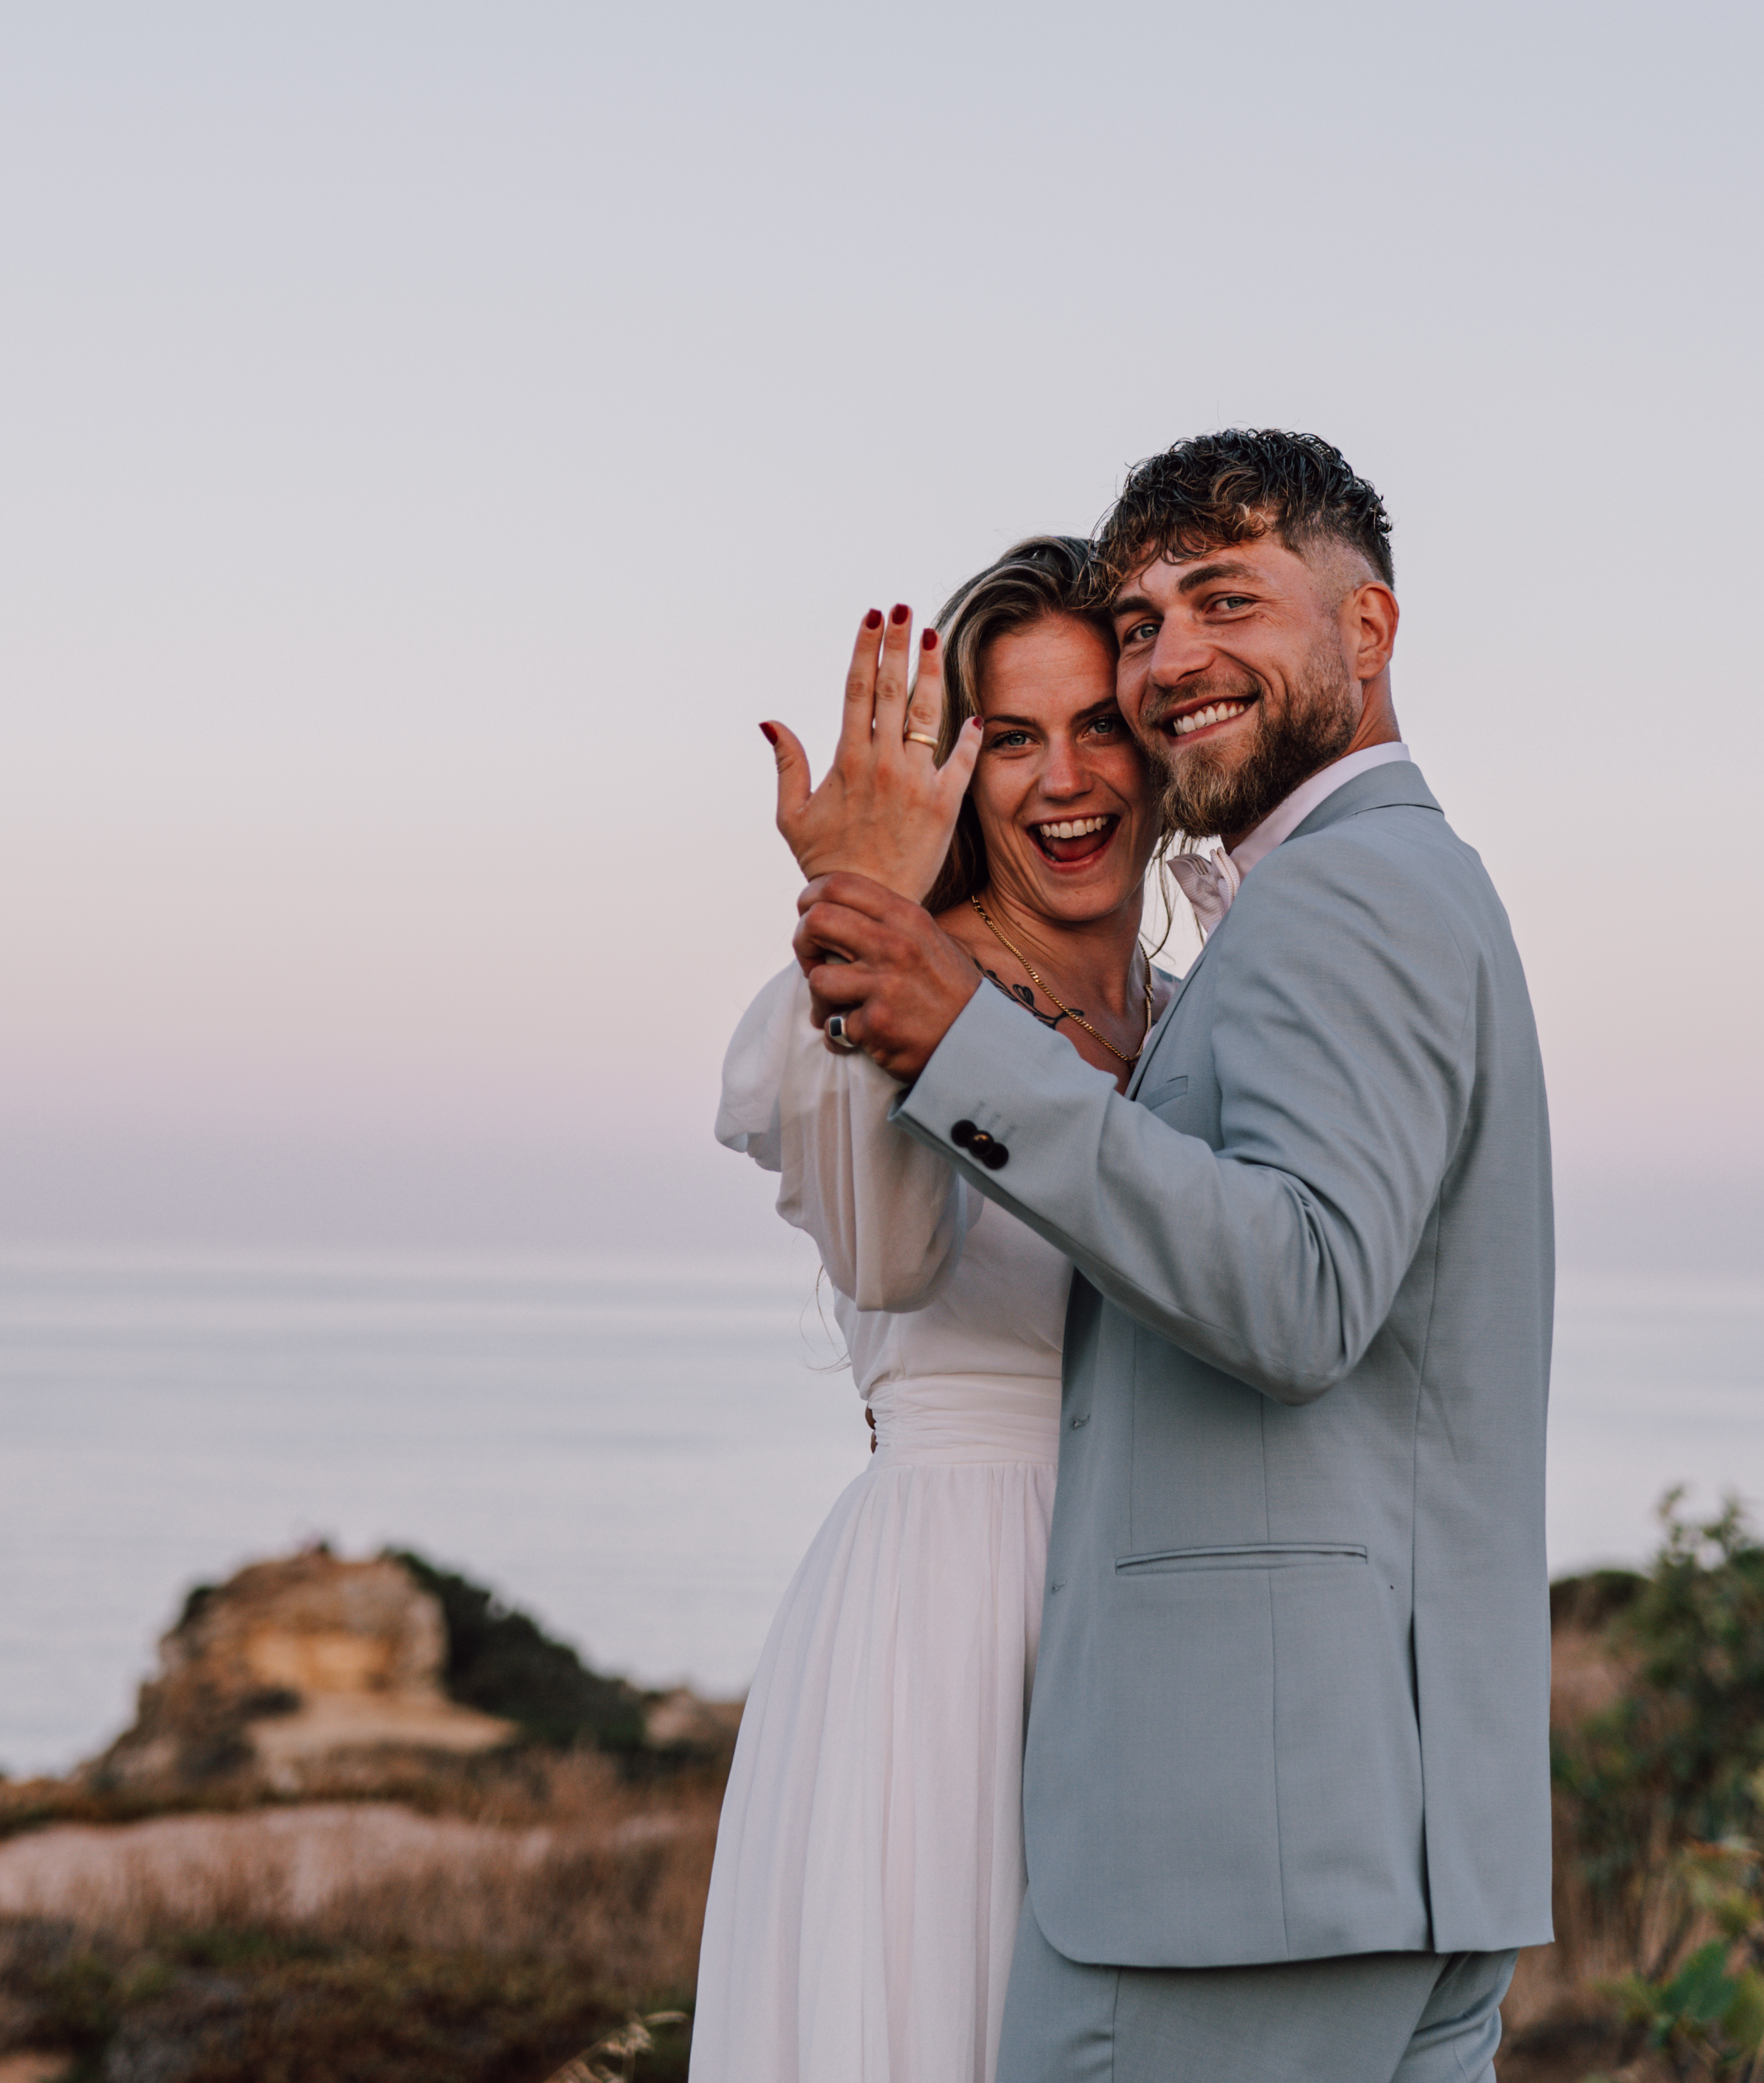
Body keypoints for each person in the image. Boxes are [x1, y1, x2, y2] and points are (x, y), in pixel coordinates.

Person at [798, 432, 1554, 2083]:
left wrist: (962, 1048)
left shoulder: (1336, 897)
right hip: (1387, 1839)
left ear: (1370, 633)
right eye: (1141, 620)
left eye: (1226, 599)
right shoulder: (1402, 886)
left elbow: (1298, 1292)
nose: (1171, 661)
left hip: (1245, 1861)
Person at [697, 536, 1178, 2083]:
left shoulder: (1207, 1012)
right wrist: (861, 916)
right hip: (949, 1621)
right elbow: (892, 1255)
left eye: (1098, 721)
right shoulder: (880, 982)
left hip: (1163, 1606)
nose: (1062, 777)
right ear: (953, 773)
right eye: (1008, 736)